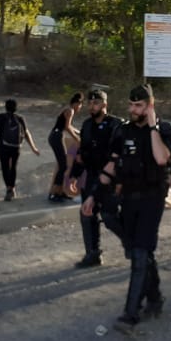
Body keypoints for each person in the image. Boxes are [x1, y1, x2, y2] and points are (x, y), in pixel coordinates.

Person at [82, 83, 171, 333]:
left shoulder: (165, 130)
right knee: (139, 250)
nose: (133, 109)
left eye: (139, 105)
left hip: (152, 199)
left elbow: (161, 158)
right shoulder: (123, 131)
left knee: (139, 254)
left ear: (150, 106)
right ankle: (154, 297)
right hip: (128, 199)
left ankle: (130, 313)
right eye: (131, 104)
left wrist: (153, 126)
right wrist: (93, 195)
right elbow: (111, 166)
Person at [70, 89, 123, 267]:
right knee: (87, 213)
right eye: (90, 103)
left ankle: (132, 243)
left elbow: (119, 154)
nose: (92, 106)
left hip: (110, 178)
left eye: (96, 103)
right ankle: (92, 254)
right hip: (91, 175)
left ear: (104, 104)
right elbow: (81, 153)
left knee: (109, 217)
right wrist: (75, 175)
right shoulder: (87, 125)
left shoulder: (116, 125)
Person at [0, 98, 41, 201]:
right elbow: (26, 134)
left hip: (3, 146)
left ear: (5, 107)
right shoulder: (20, 118)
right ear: (16, 108)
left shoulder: (1, 117)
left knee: (5, 167)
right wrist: (33, 148)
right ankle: (12, 188)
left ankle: (9, 189)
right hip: (16, 147)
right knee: (13, 167)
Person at [47, 93, 83, 202]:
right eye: (80, 105)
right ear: (77, 103)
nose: (80, 107)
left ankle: (61, 192)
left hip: (57, 136)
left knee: (64, 165)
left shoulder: (68, 109)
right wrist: (77, 138)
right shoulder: (70, 110)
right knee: (63, 165)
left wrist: (79, 133)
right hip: (56, 137)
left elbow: (69, 126)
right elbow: (67, 127)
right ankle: (54, 193)